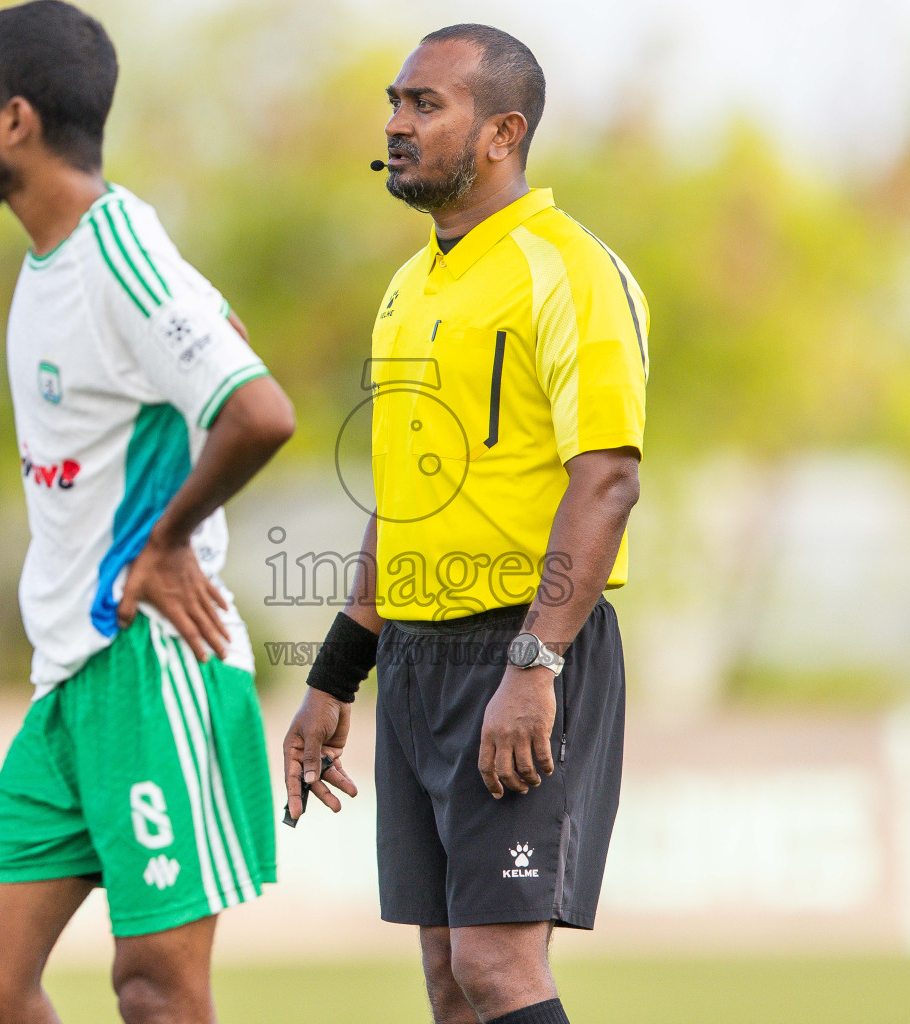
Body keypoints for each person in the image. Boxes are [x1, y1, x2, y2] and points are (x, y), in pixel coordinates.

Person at [0, 3, 294, 1022]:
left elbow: (258, 409)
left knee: (157, 992)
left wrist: (170, 537)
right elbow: (219, 331)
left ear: (14, 123)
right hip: (70, 680)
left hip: (152, 666)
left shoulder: (115, 244)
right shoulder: (65, 260)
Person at [282, 24, 647, 1024]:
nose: (398, 125)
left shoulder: (566, 268)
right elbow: (401, 508)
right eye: (395, 103)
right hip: (413, 666)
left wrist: (535, 665)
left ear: (503, 131)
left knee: (498, 969)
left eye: (424, 105)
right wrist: (332, 679)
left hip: (519, 651)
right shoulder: (411, 287)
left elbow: (608, 478)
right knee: (450, 986)